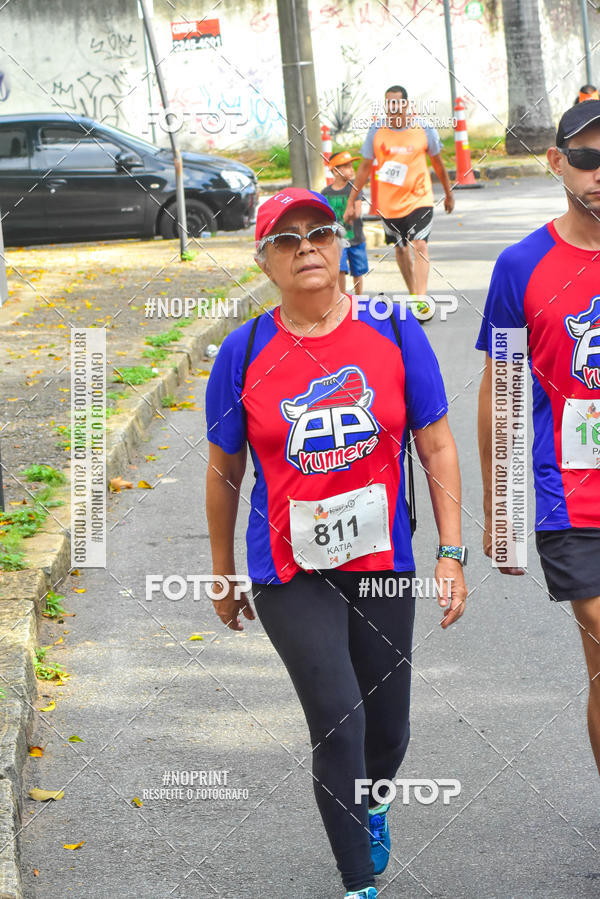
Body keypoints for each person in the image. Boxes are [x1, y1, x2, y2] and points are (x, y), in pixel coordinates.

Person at [205, 187, 468, 898]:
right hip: (289, 569)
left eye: (318, 232)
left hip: (383, 560)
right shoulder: (244, 350)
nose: (306, 248)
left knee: (387, 729)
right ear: (266, 262)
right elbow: (225, 471)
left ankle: (375, 800)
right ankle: (358, 883)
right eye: (286, 241)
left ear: (340, 244)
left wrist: (452, 549)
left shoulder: (391, 328)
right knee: (338, 715)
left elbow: (436, 443)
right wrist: (223, 573)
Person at [477, 101, 600, 775]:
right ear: (557, 162)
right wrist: (500, 511)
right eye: (586, 157)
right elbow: (501, 389)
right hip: (573, 499)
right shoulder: (521, 266)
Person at [343, 84, 454, 304]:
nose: (393, 108)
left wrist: (449, 193)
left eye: (397, 103)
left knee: (420, 244)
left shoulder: (424, 128)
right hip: (389, 203)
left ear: (406, 104)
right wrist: (351, 202)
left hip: (419, 198)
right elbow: (364, 168)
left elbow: (438, 164)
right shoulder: (376, 130)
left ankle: (421, 299)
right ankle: (413, 293)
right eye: (389, 103)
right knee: (401, 249)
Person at [322, 150, 369, 295]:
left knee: (358, 270)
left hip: (355, 238)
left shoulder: (354, 189)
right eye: (347, 166)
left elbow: (358, 210)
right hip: (336, 240)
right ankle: (342, 297)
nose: (352, 169)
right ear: (336, 171)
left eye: (352, 166)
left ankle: (359, 298)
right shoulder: (325, 193)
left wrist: (351, 214)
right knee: (340, 269)